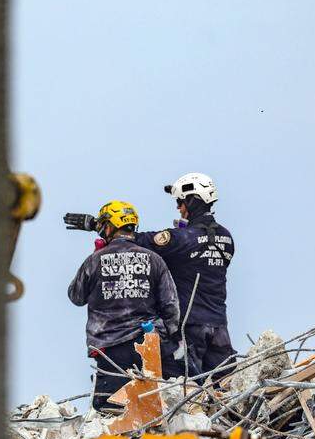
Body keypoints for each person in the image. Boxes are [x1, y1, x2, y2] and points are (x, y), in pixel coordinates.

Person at [69, 173, 236, 379]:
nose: (178, 208)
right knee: (224, 383)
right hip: (218, 326)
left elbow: (134, 240)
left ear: (193, 201)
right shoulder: (226, 238)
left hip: (189, 327)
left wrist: (99, 226)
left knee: (189, 387)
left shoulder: (181, 239)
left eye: (180, 202)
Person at [67, 200, 180, 410]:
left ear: (110, 226)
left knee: (111, 411)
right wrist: (172, 340)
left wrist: (96, 257)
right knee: (162, 405)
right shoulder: (154, 259)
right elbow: (171, 306)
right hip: (149, 345)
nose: (101, 231)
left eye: (103, 226)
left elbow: (76, 296)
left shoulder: (95, 260)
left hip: (109, 348)